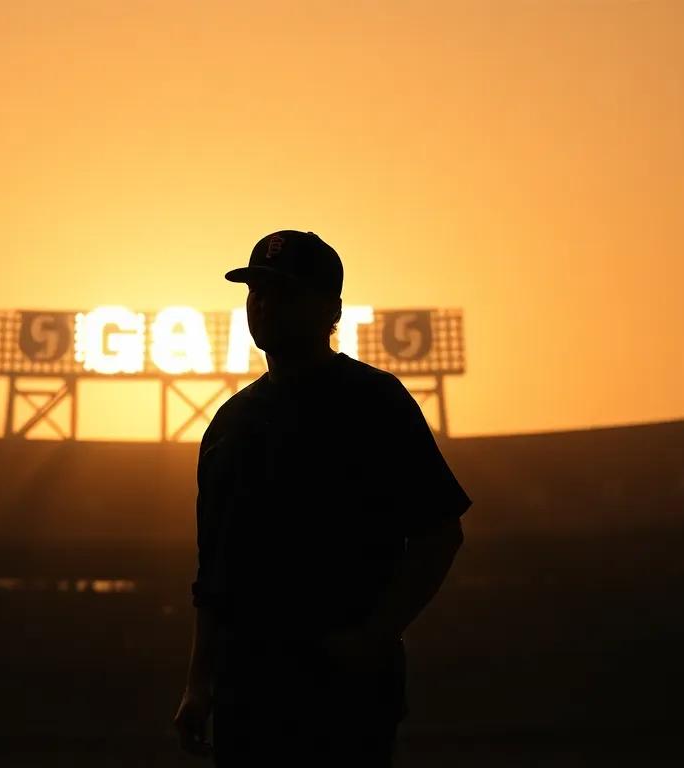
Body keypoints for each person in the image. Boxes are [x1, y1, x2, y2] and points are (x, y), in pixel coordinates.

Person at [171, 230, 472, 765]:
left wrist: (373, 636)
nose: (263, 304)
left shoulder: (375, 402)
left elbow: (439, 532)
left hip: (342, 695)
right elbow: (214, 574)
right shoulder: (228, 422)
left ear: (330, 308)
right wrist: (199, 684)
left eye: (282, 292)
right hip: (250, 693)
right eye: (255, 291)